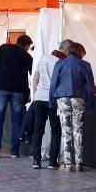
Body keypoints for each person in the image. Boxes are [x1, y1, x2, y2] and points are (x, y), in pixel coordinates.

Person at [50, 44, 94, 172]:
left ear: (68, 51)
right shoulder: (86, 65)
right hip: (79, 98)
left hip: (62, 98)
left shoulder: (60, 63)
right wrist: (91, 102)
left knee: (66, 131)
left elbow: (54, 83)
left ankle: (68, 164)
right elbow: (90, 86)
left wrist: (52, 101)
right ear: (80, 52)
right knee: (78, 130)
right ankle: (79, 163)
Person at [0, 34, 33, 158]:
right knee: (17, 122)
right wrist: (26, 94)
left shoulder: (3, 49)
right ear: (27, 45)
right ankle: (15, 152)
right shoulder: (27, 56)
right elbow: (31, 75)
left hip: (1, 88)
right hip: (18, 91)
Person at [31, 39, 73, 169]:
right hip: (53, 99)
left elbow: (35, 79)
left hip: (39, 98)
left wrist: (35, 95)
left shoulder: (43, 58)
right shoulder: (62, 62)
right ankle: (52, 161)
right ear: (66, 50)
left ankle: (36, 161)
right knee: (56, 130)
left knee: (38, 130)